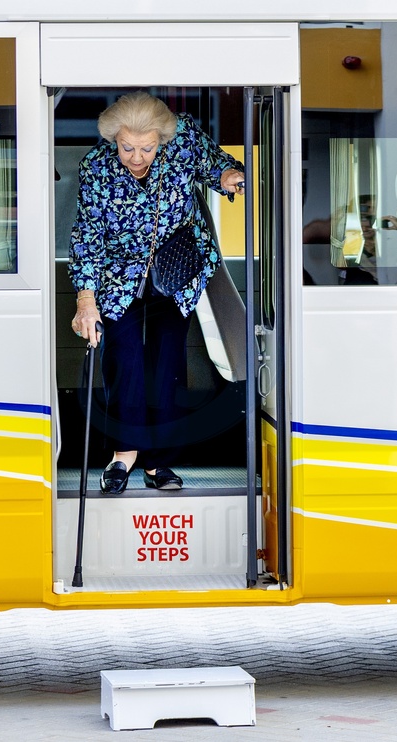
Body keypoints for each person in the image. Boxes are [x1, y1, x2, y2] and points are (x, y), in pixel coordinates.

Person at [68, 91, 244, 495]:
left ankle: (159, 462)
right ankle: (123, 455)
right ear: (114, 139)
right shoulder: (95, 168)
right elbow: (87, 236)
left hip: (174, 269)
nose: (136, 157)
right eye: (127, 147)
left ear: (162, 139)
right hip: (118, 276)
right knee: (123, 359)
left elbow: (216, 165)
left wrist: (227, 178)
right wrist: (86, 300)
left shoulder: (184, 140)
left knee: (167, 363)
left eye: (146, 148)